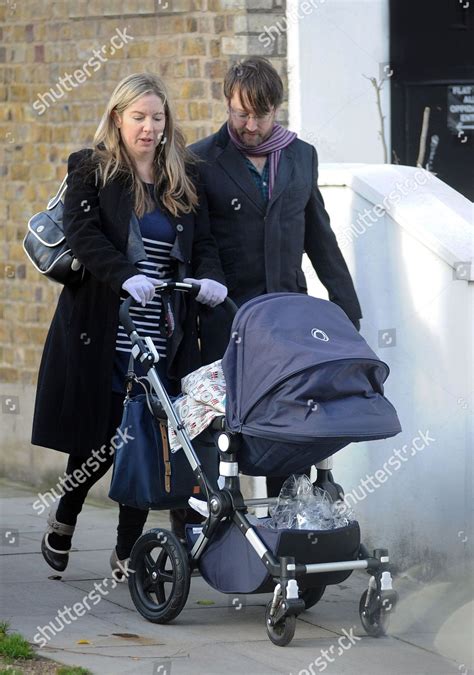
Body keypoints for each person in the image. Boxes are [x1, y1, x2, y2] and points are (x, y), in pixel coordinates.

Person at [32, 73, 227, 576]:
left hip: (160, 335)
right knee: (96, 445)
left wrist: (210, 280)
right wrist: (125, 277)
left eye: (157, 118)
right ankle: (65, 516)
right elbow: (84, 235)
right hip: (102, 328)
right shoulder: (91, 169)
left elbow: (202, 243)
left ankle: (125, 553)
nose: (148, 128)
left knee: (145, 443)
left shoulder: (183, 176)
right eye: (138, 117)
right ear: (118, 118)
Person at [190, 57, 362, 497]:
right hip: (225, 321)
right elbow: (197, 244)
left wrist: (347, 310)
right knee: (216, 427)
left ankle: (286, 533)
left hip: (287, 323)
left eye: (260, 114)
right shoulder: (202, 161)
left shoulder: (302, 157)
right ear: (227, 104)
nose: (250, 125)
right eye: (240, 113)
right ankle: (202, 528)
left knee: (286, 426)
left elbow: (320, 239)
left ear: (276, 109)